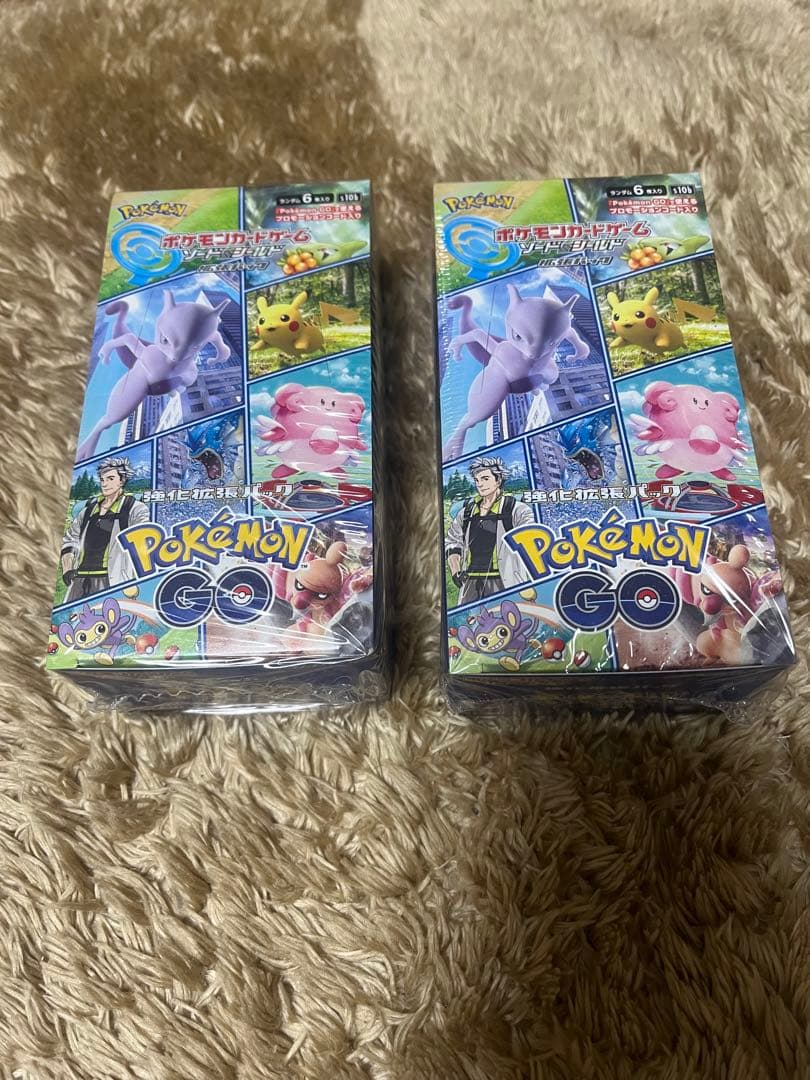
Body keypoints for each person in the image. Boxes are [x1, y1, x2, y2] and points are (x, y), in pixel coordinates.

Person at [445, 456, 534, 606]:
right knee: (466, 619)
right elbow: (453, 542)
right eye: (477, 480)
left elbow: (531, 538)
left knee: (508, 618)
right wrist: (455, 571)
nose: (480, 484)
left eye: (485, 479)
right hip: (470, 582)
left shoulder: (516, 509)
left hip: (503, 581)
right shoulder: (466, 512)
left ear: (498, 480)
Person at [61, 457, 149, 602]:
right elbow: (70, 539)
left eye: (110, 479)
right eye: (102, 479)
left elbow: (143, 542)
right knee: (68, 615)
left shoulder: (135, 508)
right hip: (79, 580)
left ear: (122, 481)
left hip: (110, 580)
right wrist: (67, 570)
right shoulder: (88, 510)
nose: (104, 484)